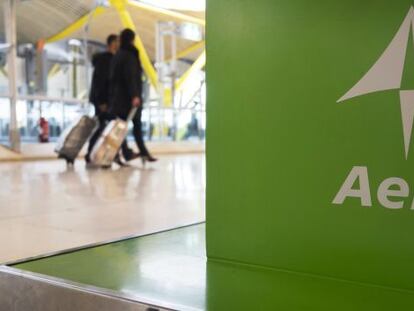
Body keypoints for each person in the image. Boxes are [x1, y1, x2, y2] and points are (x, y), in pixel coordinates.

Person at [85, 34, 138, 165]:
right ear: (111, 44)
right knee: (111, 126)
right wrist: (102, 101)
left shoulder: (113, 59)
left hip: (110, 100)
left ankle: (118, 153)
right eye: (117, 42)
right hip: (103, 101)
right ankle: (122, 153)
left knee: (107, 127)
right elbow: (100, 82)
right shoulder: (105, 60)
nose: (119, 44)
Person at [109, 28, 157, 163]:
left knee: (123, 128)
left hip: (118, 99)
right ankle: (136, 153)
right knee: (134, 128)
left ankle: (129, 153)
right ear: (131, 40)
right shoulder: (129, 55)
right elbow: (131, 77)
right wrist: (135, 95)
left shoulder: (117, 55)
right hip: (129, 100)